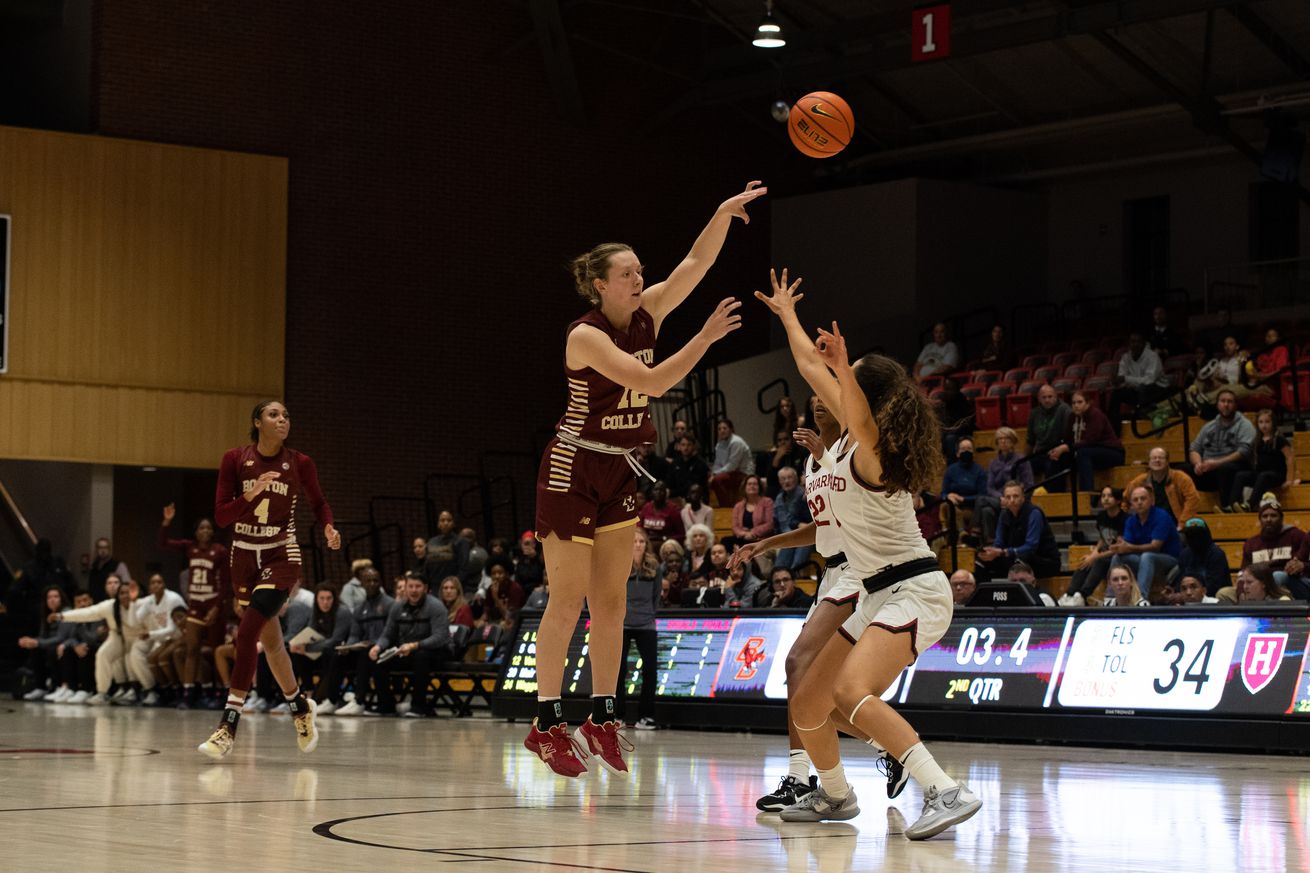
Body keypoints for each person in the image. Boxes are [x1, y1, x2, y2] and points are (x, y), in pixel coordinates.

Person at [527, 180, 765, 778]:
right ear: (600, 284)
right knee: (568, 599)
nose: (640, 279)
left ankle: (602, 716)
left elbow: (695, 263)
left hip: (620, 468)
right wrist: (706, 338)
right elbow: (655, 385)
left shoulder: (649, 313)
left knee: (611, 602)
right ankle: (546, 722)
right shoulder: (585, 334)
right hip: (573, 466)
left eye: (640, 272)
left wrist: (720, 213)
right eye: (628, 273)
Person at [783, 323, 979, 840]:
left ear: (860, 398)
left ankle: (945, 790)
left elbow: (840, 390)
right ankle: (836, 793)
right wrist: (787, 315)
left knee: (851, 689)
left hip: (915, 587)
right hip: (876, 592)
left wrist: (844, 365)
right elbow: (807, 364)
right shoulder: (847, 441)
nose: (827, 387)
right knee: (809, 702)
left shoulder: (871, 449)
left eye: (840, 383)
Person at [198, 400, 340, 759]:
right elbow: (221, 517)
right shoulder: (234, 459)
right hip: (243, 555)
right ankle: (300, 708)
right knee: (273, 644)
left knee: (245, 634)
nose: (282, 420)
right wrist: (250, 493)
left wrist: (328, 527)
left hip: (281, 553)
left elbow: (319, 502)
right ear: (257, 422)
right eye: (274, 415)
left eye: (286, 415)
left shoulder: (300, 463)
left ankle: (228, 726)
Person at [159, 505, 230, 709]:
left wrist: (217, 607)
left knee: (216, 650)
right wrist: (166, 521)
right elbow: (163, 542)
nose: (205, 531)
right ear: (196, 531)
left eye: (208, 528)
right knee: (191, 649)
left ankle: (219, 692)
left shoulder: (220, 551)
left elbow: (226, 584)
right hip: (196, 605)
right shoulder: (190, 547)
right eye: (201, 528)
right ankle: (188, 692)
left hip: (213, 604)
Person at [367, 572, 449, 717]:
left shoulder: (436, 606)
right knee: (378, 660)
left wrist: (415, 645)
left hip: (436, 652)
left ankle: (418, 706)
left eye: (417, 586)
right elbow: (388, 634)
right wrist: (378, 646)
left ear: (425, 588)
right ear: (405, 589)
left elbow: (440, 637)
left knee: (421, 656)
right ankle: (386, 705)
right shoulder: (397, 607)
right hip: (407, 651)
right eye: (410, 586)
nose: (413, 590)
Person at [327, 567, 393, 716]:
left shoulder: (390, 604)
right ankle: (331, 700)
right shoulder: (359, 609)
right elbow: (355, 635)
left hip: (384, 649)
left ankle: (359, 701)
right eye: (368, 581)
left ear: (380, 583)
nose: (372, 584)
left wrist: (375, 644)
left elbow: (390, 633)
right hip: (364, 647)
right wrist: (349, 646)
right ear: (362, 584)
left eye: (375, 580)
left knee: (366, 654)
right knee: (338, 655)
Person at [618, 529, 661, 730]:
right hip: (623, 622)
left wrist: (650, 614)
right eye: (634, 541)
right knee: (618, 670)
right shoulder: (619, 564)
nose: (638, 544)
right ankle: (617, 715)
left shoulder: (654, 566)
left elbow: (657, 596)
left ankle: (647, 716)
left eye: (642, 541)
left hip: (646, 624)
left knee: (650, 669)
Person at [1108, 485, 1181, 602]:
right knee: (1118, 557)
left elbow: (1155, 547)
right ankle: (1111, 596)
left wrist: (1128, 547)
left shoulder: (1162, 516)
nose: (1139, 502)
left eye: (1143, 498)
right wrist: (1119, 546)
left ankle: (1141, 599)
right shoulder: (1131, 521)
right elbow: (1126, 546)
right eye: (1135, 500)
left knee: (1147, 556)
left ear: (1151, 500)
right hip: (1143, 560)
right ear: (1131, 504)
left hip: (1169, 560)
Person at [977, 481, 1061, 580]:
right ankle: (988, 594)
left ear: (1023, 497)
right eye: (1008, 497)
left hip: (1044, 560)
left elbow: (1030, 547)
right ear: (1003, 499)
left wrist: (1003, 552)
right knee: (981, 561)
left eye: (1015, 496)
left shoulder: (1034, 513)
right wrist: (991, 552)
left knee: (1022, 559)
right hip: (1015, 556)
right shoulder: (1004, 514)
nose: (1012, 500)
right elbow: (999, 543)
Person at [1058, 486, 1126, 607]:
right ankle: (1070, 594)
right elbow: (1103, 538)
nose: (1105, 499)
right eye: (1103, 496)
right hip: (1105, 552)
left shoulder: (1124, 519)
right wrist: (1094, 553)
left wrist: (1095, 557)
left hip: (1119, 556)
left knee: (1098, 561)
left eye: (1109, 496)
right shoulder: (1101, 516)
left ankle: (1083, 595)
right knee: (1085, 561)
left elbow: (1119, 548)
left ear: (1118, 500)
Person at [1188, 389, 1257, 506]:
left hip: (1235, 466)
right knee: (1181, 470)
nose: (1226, 405)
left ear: (1235, 405)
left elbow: (1244, 451)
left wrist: (1217, 463)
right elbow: (1194, 448)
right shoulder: (1209, 426)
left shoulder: (1245, 425)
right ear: (1217, 404)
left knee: (1225, 469)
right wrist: (1198, 464)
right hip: (1209, 469)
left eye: (1230, 402)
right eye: (1222, 401)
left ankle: (1227, 507)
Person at [1047, 391, 1124, 492]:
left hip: (1111, 452)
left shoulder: (1096, 415)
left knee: (1083, 453)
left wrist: (1067, 447)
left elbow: (1091, 440)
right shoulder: (1072, 417)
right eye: (1073, 403)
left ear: (1087, 403)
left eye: (1079, 402)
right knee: (1058, 457)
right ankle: (1056, 494)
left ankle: (1087, 495)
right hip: (1085, 453)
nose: (1076, 406)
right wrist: (1058, 450)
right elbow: (1068, 440)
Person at [129, 573, 187, 705]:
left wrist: (150, 634)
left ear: (164, 584)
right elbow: (135, 622)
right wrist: (133, 602)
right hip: (166, 639)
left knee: (162, 658)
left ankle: (179, 691)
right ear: (149, 587)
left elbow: (172, 629)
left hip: (181, 636)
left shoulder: (173, 599)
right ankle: (165, 690)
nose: (156, 585)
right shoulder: (150, 601)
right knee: (151, 658)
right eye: (153, 582)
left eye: (159, 582)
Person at [289, 583, 350, 704]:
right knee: (297, 654)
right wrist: (298, 645)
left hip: (339, 654)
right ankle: (308, 691)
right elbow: (309, 631)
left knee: (328, 653)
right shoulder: (315, 612)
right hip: (320, 653)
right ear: (316, 599)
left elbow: (335, 640)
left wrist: (307, 648)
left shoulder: (342, 612)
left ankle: (326, 698)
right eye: (321, 598)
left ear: (334, 599)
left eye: (328, 598)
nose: (325, 602)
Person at [1242, 493, 1310, 599]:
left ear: (1281, 518)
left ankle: (1271, 611)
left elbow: (1301, 563)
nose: (1269, 519)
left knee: (1277, 576)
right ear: (1260, 520)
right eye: (1265, 516)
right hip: (1258, 584)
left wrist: (1299, 567)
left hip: (1287, 582)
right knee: (1224, 593)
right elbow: (1244, 571)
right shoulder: (1251, 543)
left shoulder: (1295, 535)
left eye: (1273, 515)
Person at [1229, 409, 1297, 512]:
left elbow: (1290, 458)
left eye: (1267, 422)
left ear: (1273, 423)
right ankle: (1233, 505)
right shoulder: (1257, 440)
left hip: (1276, 475)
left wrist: (1289, 480)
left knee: (1263, 475)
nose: (1264, 425)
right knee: (1240, 475)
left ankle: (1250, 504)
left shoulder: (1279, 439)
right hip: (1261, 475)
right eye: (1261, 422)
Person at [974, 427, 1033, 545]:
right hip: (999, 499)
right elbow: (989, 487)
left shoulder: (1021, 460)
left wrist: (1011, 497)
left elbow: (1028, 484)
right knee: (986, 510)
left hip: (1015, 498)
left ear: (1013, 441)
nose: (1003, 441)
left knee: (981, 501)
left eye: (1006, 438)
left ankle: (975, 531)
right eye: (1000, 439)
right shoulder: (993, 463)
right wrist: (1001, 498)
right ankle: (991, 541)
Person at [1125, 447, 1199, 529]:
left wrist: (1182, 524)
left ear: (1167, 461)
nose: (1157, 460)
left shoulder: (1181, 478)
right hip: (1149, 527)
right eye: (1154, 458)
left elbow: (1193, 499)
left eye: (1161, 458)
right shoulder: (1139, 481)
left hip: (1175, 526)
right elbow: (1125, 500)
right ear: (1149, 462)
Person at [1108, 331, 1171, 427]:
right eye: (1133, 342)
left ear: (1144, 343)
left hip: (1158, 390)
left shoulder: (1152, 356)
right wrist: (1116, 382)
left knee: (1143, 389)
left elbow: (1149, 380)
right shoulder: (1125, 358)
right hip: (1137, 390)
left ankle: (1141, 423)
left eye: (1138, 342)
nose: (1135, 344)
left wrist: (1125, 379)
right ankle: (1114, 426)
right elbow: (1122, 379)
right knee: (1117, 393)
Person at [17, 585, 67, 700]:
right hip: (51, 645)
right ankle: (41, 687)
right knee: (35, 649)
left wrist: (37, 642)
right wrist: (29, 641)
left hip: (65, 645)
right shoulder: (46, 614)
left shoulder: (66, 612)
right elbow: (43, 636)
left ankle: (57, 686)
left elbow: (61, 637)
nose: (52, 599)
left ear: (61, 598)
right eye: (49, 597)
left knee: (50, 651)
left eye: (56, 596)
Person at [940, 438, 987, 539]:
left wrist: (963, 499)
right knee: (946, 505)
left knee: (950, 510)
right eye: (963, 449)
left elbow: (983, 496)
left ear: (973, 453)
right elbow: (943, 493)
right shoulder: (951, 470)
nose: (966, 452)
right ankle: (960, 534)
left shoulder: (979, 471)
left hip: (971, 508)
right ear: (957, 453)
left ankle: (948, 535)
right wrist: (948, 496)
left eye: (969, 449)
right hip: (952, 505)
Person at [1173, 518, 1230, 600]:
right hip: (1188, 598)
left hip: (1214, 600)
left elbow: (1215, 585)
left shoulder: (1216, 554)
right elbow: (1181, 580)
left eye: (1198, 535)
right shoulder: (1184, 554)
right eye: (1190, 535)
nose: (1194, 539)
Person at [771, 465, 813, 572]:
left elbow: (809, 517)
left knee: (795, 557)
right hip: (786, 535)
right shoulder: (779, 497)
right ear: (779, 481)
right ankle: (779, 575)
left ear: (796, 479)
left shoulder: (802, 495)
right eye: (783, 479)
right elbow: (776, 521)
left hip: (805, 533)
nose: (787, 481)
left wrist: (799, 525)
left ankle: (794, 576)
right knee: (780, 563)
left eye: (789, 478)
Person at [1026, 385, 1071, 482]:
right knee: (1022, 465)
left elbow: (1070, 437)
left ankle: (1051, 495)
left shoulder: (1064, 410)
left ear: (1056, 396)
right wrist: (1024, 459)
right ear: (1039, 399)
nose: (1047, 400)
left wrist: (1061, 448)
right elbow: (1030, 440)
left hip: (1059, 451)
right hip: (1041, 452)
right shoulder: (1034, 413)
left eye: (1050, 397)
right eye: (1044, 397)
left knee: (1052, 464)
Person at [710, 418, 755, 506]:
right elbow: (717, 463)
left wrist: (715, 474)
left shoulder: (736, 442)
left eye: (724, 428)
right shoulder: (719, 445)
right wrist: (713, 473)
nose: (722, 431)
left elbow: (732, 466)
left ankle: (726, 506)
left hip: (743, 472)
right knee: (710, 478)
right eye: (719, 429)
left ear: (731, 429)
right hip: (729, 473)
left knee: (717, 480)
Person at [724, 476, 774, 552]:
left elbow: (770, 524)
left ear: (759, 487)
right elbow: (735, 527)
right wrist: (744, 534)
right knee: (725, 541)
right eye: (749, 484)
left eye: (755, 484)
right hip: (743, 537)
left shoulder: (767, 502)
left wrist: (753, 533)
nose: (752, 486)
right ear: (744, 487)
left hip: (760, 538)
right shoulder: (738, 506)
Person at [424, 510, 470, 593]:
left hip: (452, 587)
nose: (445, 523)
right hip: (434, 587)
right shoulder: (431, 541)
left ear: (453, 524)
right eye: (442, 520)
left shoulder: (461, 542)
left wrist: (454, 585)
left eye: (449, 520)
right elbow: (426, 566)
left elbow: (463, 568)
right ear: (438, 524)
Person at [758, 429, 808, 496]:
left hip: (798, 487)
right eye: (780, 440)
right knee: (771, 489)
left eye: (786, 439)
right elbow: (770, 480)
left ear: (792, 440)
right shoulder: (773, 455)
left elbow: (802, 472)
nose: (783, 442)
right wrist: (777, 458)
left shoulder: (800, 452)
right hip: (780, 489)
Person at [637, 480, 685, 549]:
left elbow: (681, 535)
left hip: (666, 544)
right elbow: (640, 529)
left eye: (661, 490)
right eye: (656, 490)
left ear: (666, 493)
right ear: (652, 492)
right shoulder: (646, 508)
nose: (658, 492)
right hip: (648, 545)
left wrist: (664, 538)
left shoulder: (673, 510)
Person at [667, 435, 710, 501]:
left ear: (693, 446)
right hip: (678, 498)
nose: (686, 448)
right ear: (679, 446)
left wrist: (674, 493)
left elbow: (692, 487)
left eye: (689, 445)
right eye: (683, 445)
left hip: (696, 499)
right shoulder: (675, 463)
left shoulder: (701, 464)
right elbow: (670, 483)